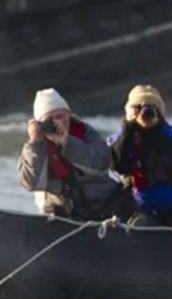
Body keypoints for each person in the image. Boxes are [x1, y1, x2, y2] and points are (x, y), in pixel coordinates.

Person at [18, 88, 134, 221]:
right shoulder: (36, 145)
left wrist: (67, 142)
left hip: (101, 206)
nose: (57, 122)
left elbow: (102, 162)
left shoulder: (85, 133)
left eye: (60, 116)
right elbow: (31, 183)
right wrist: (35, 143)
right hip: (60, 212)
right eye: (50, 119)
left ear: (68, 115)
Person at [110, 84, 172, 227]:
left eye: (151, 108)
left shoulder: (167, 134)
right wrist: (129, 128)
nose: (145, 113)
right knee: (141, 224)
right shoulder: (124, 136)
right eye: (139, 108)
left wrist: (157, 128)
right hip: (138, 208)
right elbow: (117, 163)